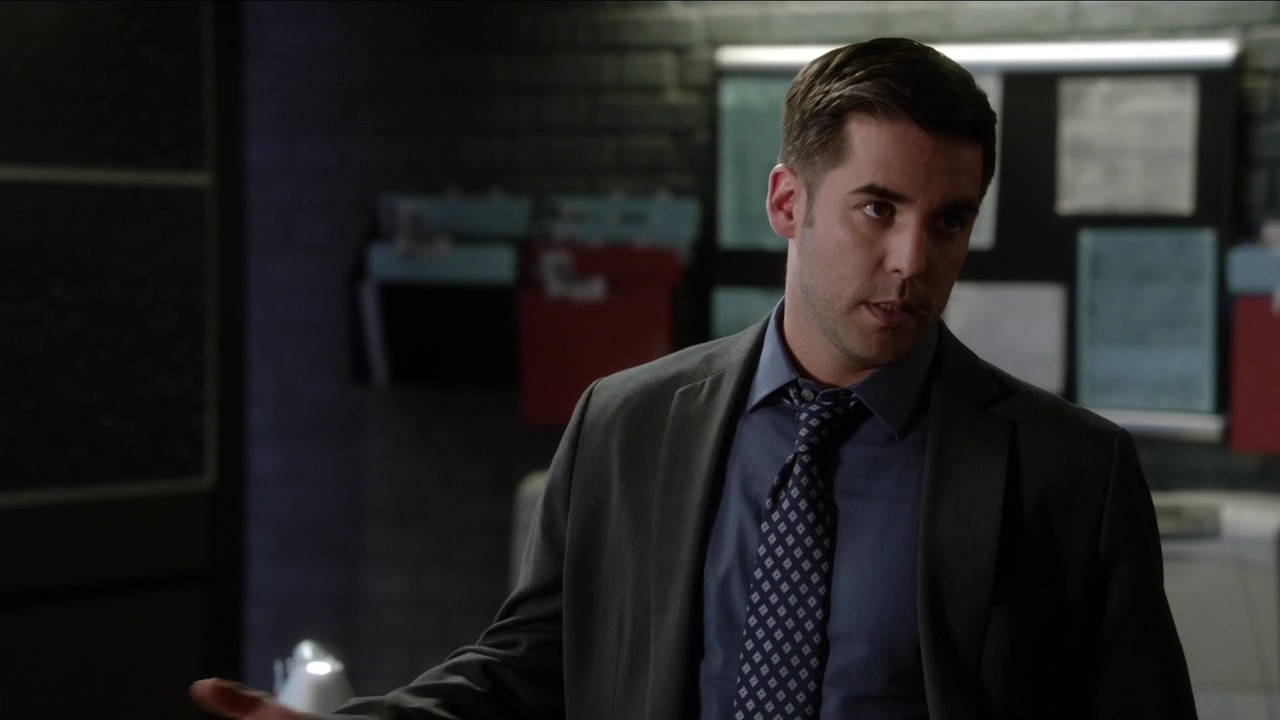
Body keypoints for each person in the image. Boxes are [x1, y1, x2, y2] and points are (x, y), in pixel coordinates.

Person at [192, 37, 1197, 720]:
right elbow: (533, 664)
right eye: (877, 208)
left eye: (948, 221)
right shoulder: (626, 423)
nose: (912, 260)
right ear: (787, 203)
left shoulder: (1069, 471)